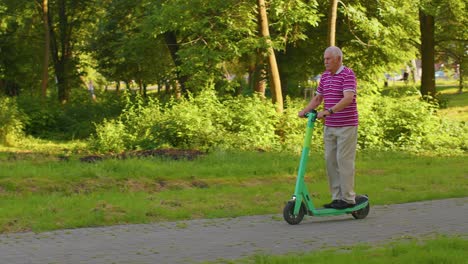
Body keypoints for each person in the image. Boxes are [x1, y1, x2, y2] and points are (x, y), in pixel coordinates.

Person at [298, 46, 358, 210]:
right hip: (330, 126)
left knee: (343, 161)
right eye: (324, 59)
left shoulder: (348, 74)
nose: (325, 62)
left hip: (346, 125)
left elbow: (348, 98)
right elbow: (318, 99)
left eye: (328, 59)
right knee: (330, 161)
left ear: (338, 59)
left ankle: (348, 198)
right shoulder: (324, 76)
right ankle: (337, 198)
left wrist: (329, 111)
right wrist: (304, 111)